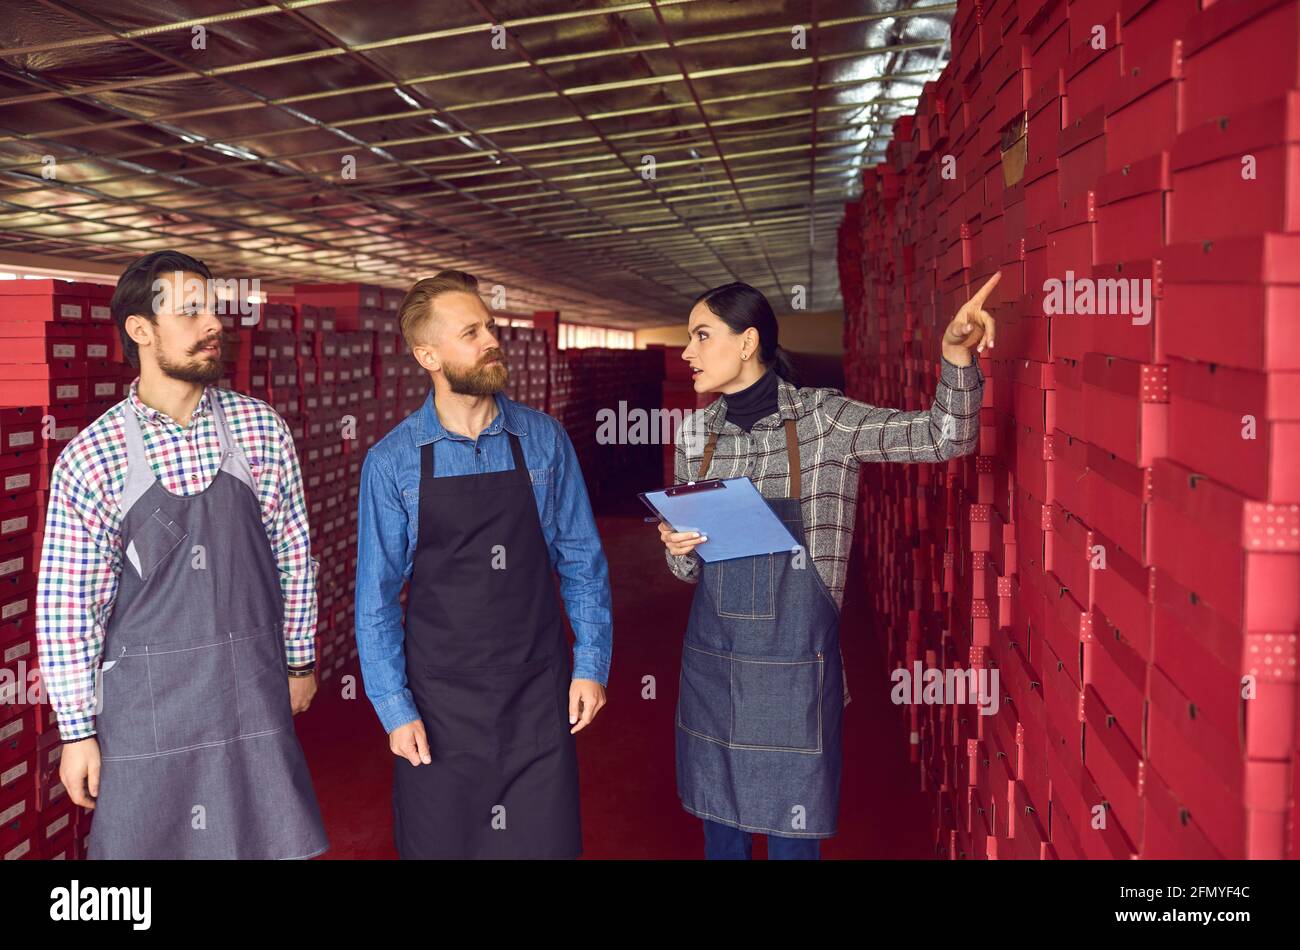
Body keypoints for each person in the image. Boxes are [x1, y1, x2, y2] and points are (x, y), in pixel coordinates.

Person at [659, 274, 998, 860]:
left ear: (747, 342)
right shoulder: (696, 435)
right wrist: (677, 547)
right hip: (714, 668)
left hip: (794, 670)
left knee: (794, 839)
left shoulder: (824, 421)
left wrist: (955, 357)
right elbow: (690, 576)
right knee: (721, 831)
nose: (687, 352)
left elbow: (946, 438)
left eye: (701, 335)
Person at [38, 249, 328, 859]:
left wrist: (299, 661)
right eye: (190, 311)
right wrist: (77, 731)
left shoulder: (260, 430)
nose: (213, 323)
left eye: (213, 309)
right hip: (147, 711)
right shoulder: (93, 458)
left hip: (250, 693)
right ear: (140, 330)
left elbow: (295, 558)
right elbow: (68, 607)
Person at [355, 269, 612, 859]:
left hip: (536, 697)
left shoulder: (544, 440)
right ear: (428, 355)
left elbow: (582, 561)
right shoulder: (393, 461)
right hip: (440, 708)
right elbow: (375, 597)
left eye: (490, 327)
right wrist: (394, 709)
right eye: (471, 332)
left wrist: (591, 665)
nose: (491, 340)